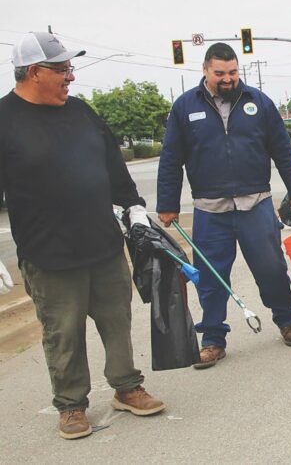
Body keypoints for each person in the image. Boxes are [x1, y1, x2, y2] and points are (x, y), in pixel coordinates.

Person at [0, 32, 164, 440]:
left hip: (103, 243)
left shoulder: (81, 112)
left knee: (117, 320)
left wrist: (134, 206)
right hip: (48, 253)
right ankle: (71, 405)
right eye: (63, 69)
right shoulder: (4, 121)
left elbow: (112, 164)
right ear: (34, 72)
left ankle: (127, 386)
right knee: (64, 333)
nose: (71, 77)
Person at [157, 43, 291, 368]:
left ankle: (286, 320)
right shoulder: (185, 107)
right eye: (220, 73)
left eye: (233, 72)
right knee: (212, 278)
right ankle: (213, 339)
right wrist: (167, 203)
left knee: (271, 270)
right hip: (210, 211)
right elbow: (171, 159)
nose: (228, 79)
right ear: (205, 70)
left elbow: (283, 150)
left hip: (256, 204)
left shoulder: (258, 102)